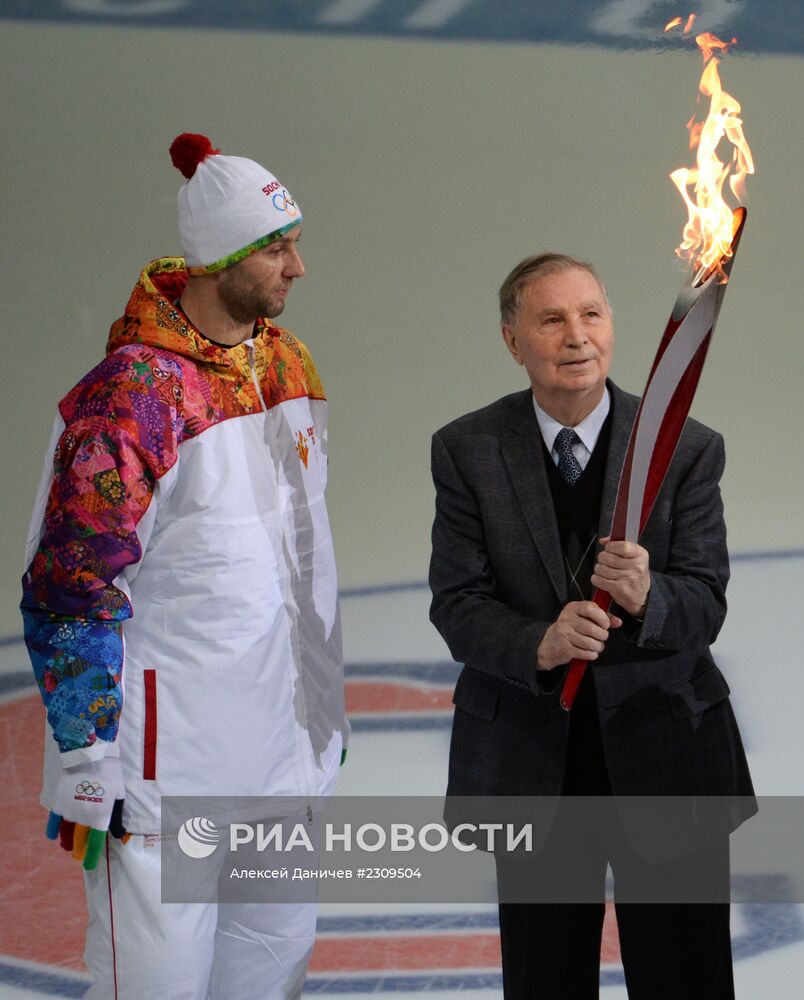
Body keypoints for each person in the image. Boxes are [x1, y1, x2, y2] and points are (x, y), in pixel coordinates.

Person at [21, 133, 348, 999]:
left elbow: (303, 566)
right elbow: (69, 591)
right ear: (221, 259)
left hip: (283, 765)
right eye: (277, 247)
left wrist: (322, 725)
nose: (297, 267)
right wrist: (88, 759)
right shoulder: (128, 401)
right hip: (169, 785)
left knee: (270, 982)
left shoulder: (289, 366)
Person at [429, 253, 754, 998]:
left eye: (592, 315)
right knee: (546, 979)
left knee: (687, 979)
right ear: (513, 340)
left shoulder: (685, 447)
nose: (577, 337)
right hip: (533, 761)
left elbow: (706, 600)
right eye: (551, 320)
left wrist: (649, 596)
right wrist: (536, 642)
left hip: (669, 754)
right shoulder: (469, 450)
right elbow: (457, 603)